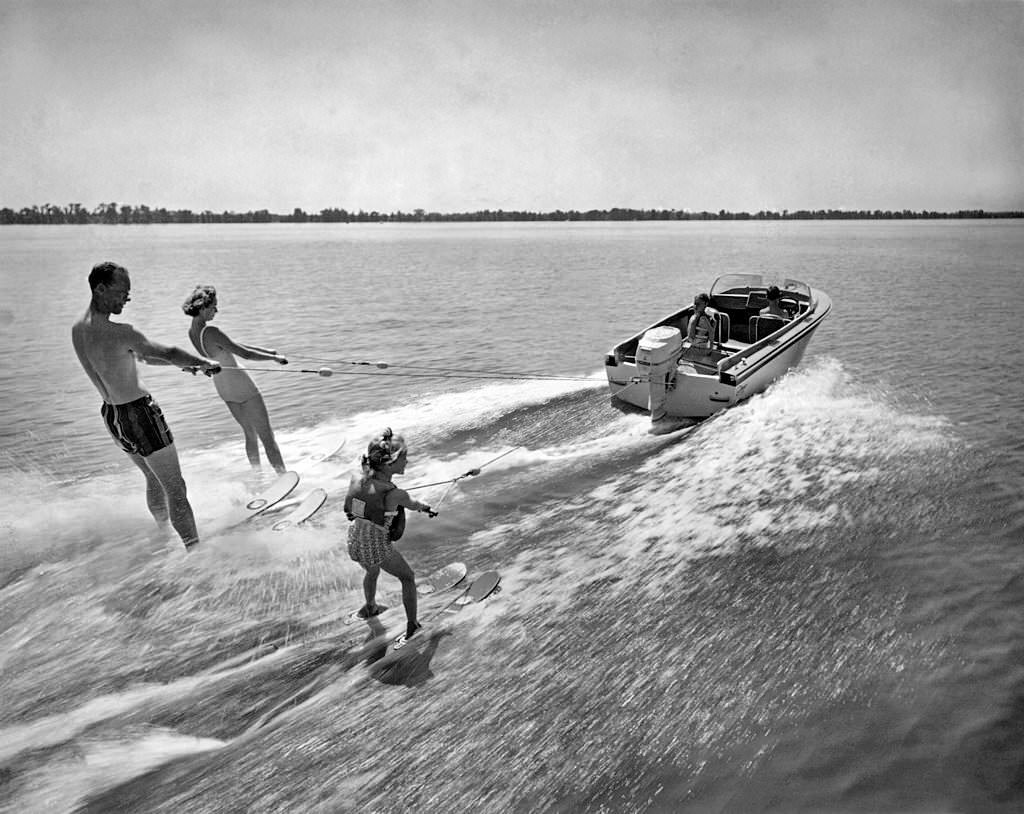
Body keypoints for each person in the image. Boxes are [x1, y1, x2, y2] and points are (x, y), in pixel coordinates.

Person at [71, 261, 221, 550]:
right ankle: (196, 553)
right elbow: (168, 351)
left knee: (152, 478)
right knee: (175, 488)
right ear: (100, 288)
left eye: (129, 293)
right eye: (122, 292)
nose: (127, 299)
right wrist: (203, 363)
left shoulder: (79, 329)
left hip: (113, 417)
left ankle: (163, 536)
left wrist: (186, 366)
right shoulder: (120, 332)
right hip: (139, 413)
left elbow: (142, 356)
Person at [343, 428, 437, 643]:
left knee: (372, 571)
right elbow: (415, 504)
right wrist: (427, 508)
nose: (407, 461)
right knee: (408, 577)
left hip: (355, 540)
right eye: (403, 457)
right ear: (389, 462)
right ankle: (413, 625)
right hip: (376, 545)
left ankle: (370, 607)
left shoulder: (359, 480)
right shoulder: (395, 494)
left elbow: (354, 508)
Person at [182, 285, 288, 473]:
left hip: (224, 389)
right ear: (203, 307)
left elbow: (232, 345)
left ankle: (258, 476)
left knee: (250, 434)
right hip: (242, 387)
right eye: (214, 306)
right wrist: (274, 358)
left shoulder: (192, 332)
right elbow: (245, 354)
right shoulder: (212, 331)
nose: (216, 310)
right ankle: (283, 476)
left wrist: (267, 351)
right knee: (267, 437)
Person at [683, 292, 718, 360]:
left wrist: (710, 348)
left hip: (700, 347)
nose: (695, 306)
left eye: (698, 304)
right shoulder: (694, 316)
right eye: (695, 303)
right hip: (693, 345)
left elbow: (711, 332)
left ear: (705, 304)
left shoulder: (704, 319)